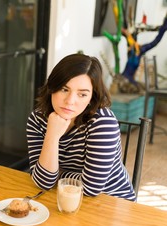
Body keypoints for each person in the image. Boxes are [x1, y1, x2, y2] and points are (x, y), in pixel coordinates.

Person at [26, 53, 136, 201]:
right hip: (63, 197)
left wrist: (57, 174)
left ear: (92, 97)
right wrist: (52, 135)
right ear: (52, 87)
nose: (70, 101)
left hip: (112, 200)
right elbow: (43, 182)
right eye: (64, 89)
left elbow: (90, 188)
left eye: (82, 94)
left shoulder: (102, 122)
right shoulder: (37, 120)